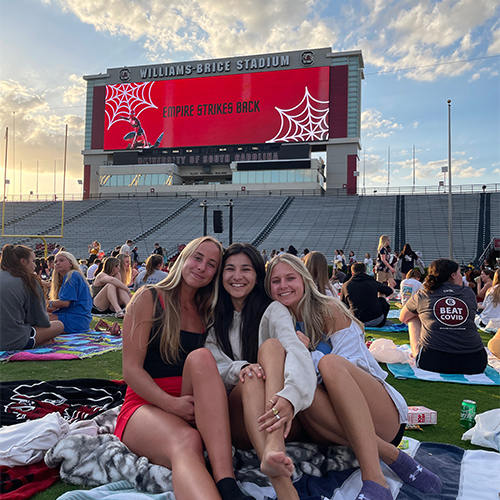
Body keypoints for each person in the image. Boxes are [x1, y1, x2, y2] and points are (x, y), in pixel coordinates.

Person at [267, 254, 441, 500]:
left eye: (290, 278)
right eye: (275, 281)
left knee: (329, 364)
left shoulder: (328, 309)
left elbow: (352, 365)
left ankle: (375, 480)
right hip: (332, 426)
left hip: (377, 415)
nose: (283, 286)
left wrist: (304, 354)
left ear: (304, 280)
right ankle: (393, 456)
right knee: (301, 392)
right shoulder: (274, 322)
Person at [115, 236, 255, 500]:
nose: (202, 267)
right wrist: (171, 404)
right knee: (187, 441)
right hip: (146, 404)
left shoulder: (208, 310)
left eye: (212, 264)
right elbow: (131, 371)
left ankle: (226, 482)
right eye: (197, 258)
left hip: (194, 402)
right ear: (183, 258)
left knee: (202, 357)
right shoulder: (149, 297)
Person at [206, 243, 317, 500]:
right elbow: (213, 360)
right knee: (251, 375)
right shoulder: (213, 312)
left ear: (257, 277)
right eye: (230, 269)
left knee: (272, 347)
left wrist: (292, 394)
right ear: (221, 274)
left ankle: (272, 450)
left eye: (246, 269)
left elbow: (295, 349)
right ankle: (283, 485)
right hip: (232, 416)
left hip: (272, 415)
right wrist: (241, 368)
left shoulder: (273, 310)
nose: (237, 276)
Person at [400, 258, 487, 375]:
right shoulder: (468, 293)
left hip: (432, 361)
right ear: (453, 276)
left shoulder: (424, 294)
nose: (462, 276)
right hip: (475, 362)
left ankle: (416, 353)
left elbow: (403, 317)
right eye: (460, 273)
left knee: (413, 317)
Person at [0, 244, 64, 351]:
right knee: (59, 325)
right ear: (23, 262)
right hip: (11, 340)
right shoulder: (28, 280)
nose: (35, 266)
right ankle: (39, 341)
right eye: (33, 261)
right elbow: (40, 321)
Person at [48, 251, 93, 334]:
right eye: (55, 262)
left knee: (35, 318)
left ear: (71, 263)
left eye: (61, 260)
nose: (57, 263)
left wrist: (45, 303)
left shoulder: (72, 275)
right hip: (80, 321)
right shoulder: (70, 277)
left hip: (75, 320)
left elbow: (65, 303)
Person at [340, 262, 394, 327]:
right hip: (376, 319)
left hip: (355, 320)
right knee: (382, 292)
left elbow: (342, 304)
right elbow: (389, 290)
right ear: (365, 272)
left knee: (345, 304)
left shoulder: (345, 285)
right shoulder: (372, 283)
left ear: (352, 273)